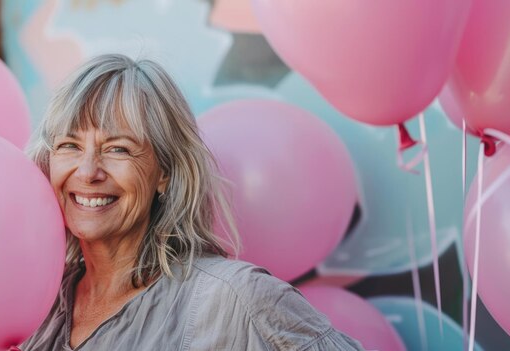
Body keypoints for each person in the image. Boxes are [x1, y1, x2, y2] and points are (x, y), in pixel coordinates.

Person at [20, 53, 365, 350]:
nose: (88, 171)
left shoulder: (234, 299)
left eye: (118, 149)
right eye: (70, 145)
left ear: (164, 172)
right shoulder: (34, 303)